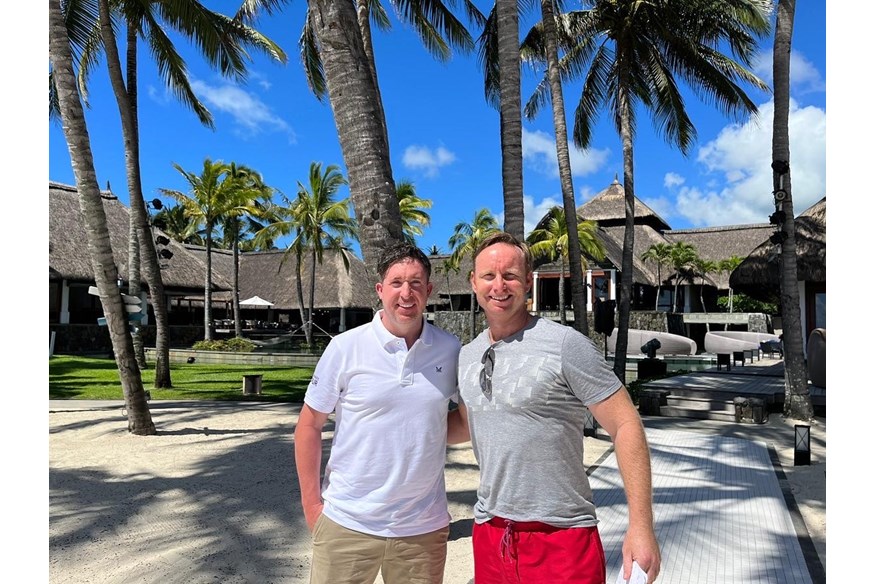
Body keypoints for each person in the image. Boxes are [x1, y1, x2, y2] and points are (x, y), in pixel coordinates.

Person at [454, 232, 661, 584]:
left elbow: (626, 425)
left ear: (528, 284)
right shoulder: (468, 354)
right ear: (474, 282)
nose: (499, 286)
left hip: (562, 537)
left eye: (511, 276)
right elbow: (464, 423)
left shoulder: (565, 345)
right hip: (491, 534)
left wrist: (641, 527)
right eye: (489, 276)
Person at [294, 242, 463, 584]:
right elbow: (309, 426)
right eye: (397, 283)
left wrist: (425, 432)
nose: (406, 293)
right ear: (380, 290)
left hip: (422, 530)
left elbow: (463, 422)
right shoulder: (345, 347)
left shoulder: (450, 349)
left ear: (428, 291)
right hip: (347, 522)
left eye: (416, 284)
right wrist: (313, 507)